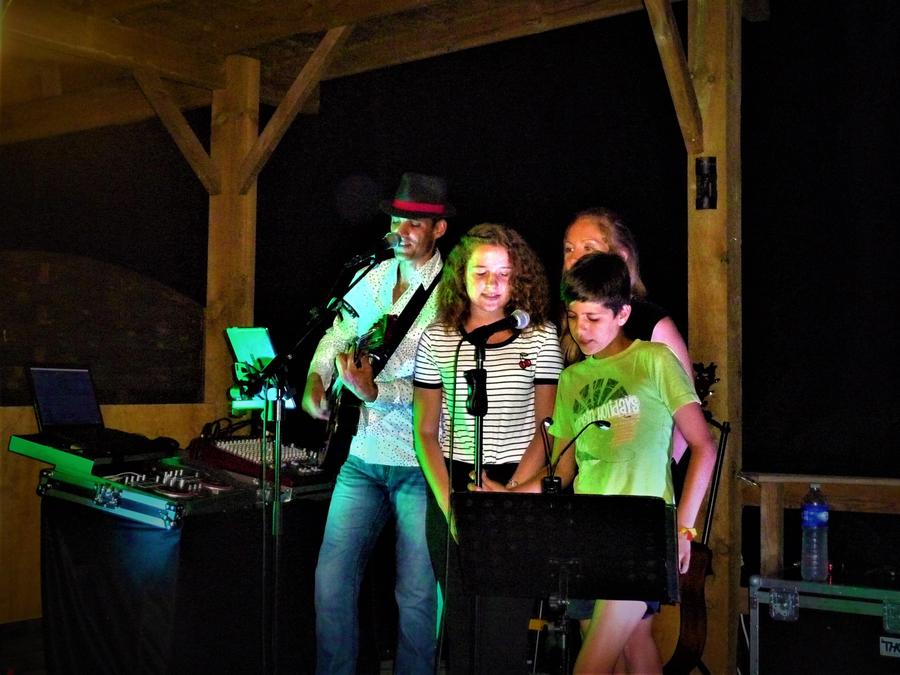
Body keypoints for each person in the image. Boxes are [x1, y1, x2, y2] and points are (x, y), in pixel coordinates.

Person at [478, 252, 716, 674]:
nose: (581, 329)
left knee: (590, 666)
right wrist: (509, 496)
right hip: (587, 536)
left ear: (622, 314)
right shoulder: (572, 379)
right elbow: (562, 472)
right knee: (635, 651)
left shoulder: (653, 360)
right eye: (573, 317)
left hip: (640, 536)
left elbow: (704, 447)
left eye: (592, 318)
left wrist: (683, 529)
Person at [302, 172, 453, 675]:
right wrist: (317, 379)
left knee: (416, 594)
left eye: (414, 223)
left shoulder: (452, 296)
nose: (401, 230)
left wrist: (376, 393)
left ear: (439, 229)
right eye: (396, 220)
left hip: (420, 463)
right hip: (363, 456)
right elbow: (336, 332)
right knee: (331, 581)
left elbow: (444, 389)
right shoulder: (375, 276)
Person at [412, 223, 564, 673]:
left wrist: (512, 492)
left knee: (504, 627)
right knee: (461, 628)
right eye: (481, 273)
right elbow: (426, 432)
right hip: (454, 481)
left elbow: (548, 426)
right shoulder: (437, 337)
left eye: (504, 274)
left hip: (516, 480)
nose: (492, 284)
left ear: (519, 278)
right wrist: (449, 505)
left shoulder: (541, 336)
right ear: (461, 276)